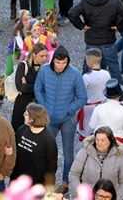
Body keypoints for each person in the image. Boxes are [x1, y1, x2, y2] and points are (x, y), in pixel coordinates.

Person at [68, 0, 123, 87]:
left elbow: (72, 13)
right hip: (108, 39)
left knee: (88, 65)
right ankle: (120, 90)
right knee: (113, 67)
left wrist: (81, 26)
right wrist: (119, 27)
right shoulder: (115, 1)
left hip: (91, 39)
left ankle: (84, 88)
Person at [35, 46, 87, 180]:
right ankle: (45, 180)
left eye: (64, 63)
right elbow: (38, 89)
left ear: (68, 61)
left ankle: (66, 181)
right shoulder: (44, 70)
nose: (61, 66)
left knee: (68, 154)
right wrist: (43, 106)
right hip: (49, 119)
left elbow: (82, 97)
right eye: (58, 62)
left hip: (67, 120)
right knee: (45, 151)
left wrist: (69, 109)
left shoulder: (75, 73)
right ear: (53, 61)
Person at [69, 125, 123, 200]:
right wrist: (80, 194)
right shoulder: (84, 152)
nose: (99, 143)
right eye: (97, 140)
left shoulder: (119, 156)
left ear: (110, 140)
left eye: (103, 140)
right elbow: (74, 174)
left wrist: (117, 198)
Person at [10, 102, 58, 187]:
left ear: (33, 119)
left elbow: (51, 168)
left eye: (26, 114)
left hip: (35, 185)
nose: (23, 115)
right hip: (17, 179)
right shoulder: (22, 129)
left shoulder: (48, 140)